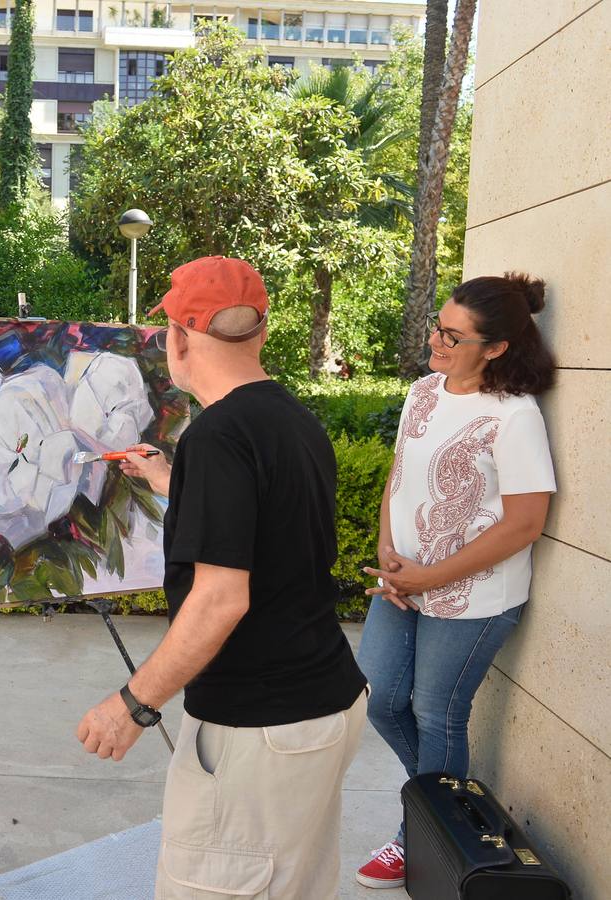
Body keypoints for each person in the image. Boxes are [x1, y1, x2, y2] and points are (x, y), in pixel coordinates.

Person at [75, 255, 368, 899]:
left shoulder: (218, 435)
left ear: (179, 338)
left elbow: (219, 600)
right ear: (259, 331)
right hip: (324, 703)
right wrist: (168, 478)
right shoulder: (289, 419)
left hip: (258, 727)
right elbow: (266, 522)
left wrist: (133, 704)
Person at [354, 273, 556, 890]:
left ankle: (419, 840)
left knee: (436, 713)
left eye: (452, 335)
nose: (435, 341)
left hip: (473, 599)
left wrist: (429, 577)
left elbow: (525, 523)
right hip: (404, 585)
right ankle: (450, 814)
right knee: (381, 696)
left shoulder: (514, 416)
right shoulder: (423, 392)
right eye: (436, 326)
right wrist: (389, 550)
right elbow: (403, 468)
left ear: (495, 348)